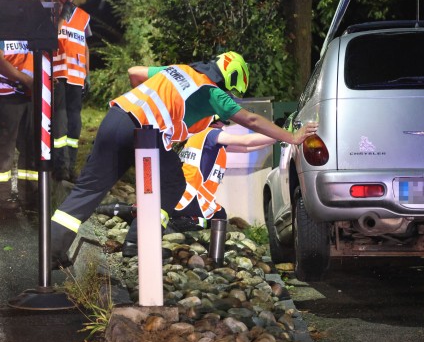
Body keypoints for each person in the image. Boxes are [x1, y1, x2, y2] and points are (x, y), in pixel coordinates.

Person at [50, 51, 317, 267]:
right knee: (172, 184)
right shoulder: (212, 92)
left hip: (117, 119)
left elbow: (134, 73)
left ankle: (53, 251)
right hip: (145, 135)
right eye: (233, 93)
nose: (230, 100)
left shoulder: (178, 70)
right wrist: (291, 136)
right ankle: (139, 246)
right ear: (229, 81)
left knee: (89, 189)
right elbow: (250, 119)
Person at [170, 115, 276, 234]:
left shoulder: (198, 135)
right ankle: (188, 223)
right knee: (219, 217)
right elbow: (246, 141)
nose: (224, 126)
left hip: (181, 199)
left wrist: (278, 138)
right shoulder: (211, 134)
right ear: (215, 121)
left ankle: (186, 223)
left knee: (219, 215)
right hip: (192, 201)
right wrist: (280, 133)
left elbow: (246, 148)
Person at [51, 0, 92, 182]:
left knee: (75, 125)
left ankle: (71, 166)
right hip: (57, 76)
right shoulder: (48, 12)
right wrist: (60, 17)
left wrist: (87, 74)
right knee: (60, 122)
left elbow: (84, 46)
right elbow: (50, 39)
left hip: (76, 77)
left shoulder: (83, 17)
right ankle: (60, 167)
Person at [0, 41, 37, 212]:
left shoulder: (29, 30)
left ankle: (29, 195)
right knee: (5, 149)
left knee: (30, 147)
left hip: (30, 95)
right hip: (7, 95)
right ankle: (3, 196)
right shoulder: (5, 26)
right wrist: (26, 79)